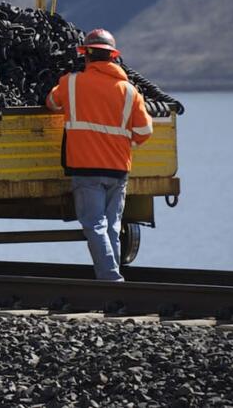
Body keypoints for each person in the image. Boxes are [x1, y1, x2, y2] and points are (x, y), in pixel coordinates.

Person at [45, 29, 153, 282]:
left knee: (95, 225)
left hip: (86, 168)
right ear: (113, 57)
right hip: (118, 169)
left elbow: (51, 102)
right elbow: (144, 131)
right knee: (112, 227)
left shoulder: (70, 83)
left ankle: (110, 278)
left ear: (86, 55)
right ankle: (112, 275)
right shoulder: (129, 91)